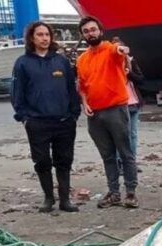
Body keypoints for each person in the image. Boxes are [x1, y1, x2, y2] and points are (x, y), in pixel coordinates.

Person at [11, 21, 81, 213]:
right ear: (32, 38)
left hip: (64, 121)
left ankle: (65, 200)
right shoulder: (23, 63)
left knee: (64, 160)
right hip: (37, 122)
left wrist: (74, 113)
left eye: (47, 35)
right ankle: (48, 198)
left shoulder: (61, 61)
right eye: (40, 35)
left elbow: (71, 89)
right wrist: (24, 117)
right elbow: (17, 92)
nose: (44, 38)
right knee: (42, 161)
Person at [76, 16, 139, 208]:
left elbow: (118, 51)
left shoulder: (110, 50)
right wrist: (84, 103)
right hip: (95, 114)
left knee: (125, 152)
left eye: (93, 29)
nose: (90, 33)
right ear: (82, 35)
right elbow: (83, 86)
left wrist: (122, 50)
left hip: (116, 109)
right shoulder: (82, 59)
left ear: (100, 31)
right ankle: (114, 192)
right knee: (107, 155)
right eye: (86, 31)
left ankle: (130, 192)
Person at [111, 37, 144, 174]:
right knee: (121, 136)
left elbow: (141, 79)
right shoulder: (110, 65)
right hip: (119, 104)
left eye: (121, 49)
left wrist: (129, 73)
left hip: (134, 103)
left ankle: (131, 163)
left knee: (133, 135)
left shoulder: (131, 62)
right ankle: (120, 163)